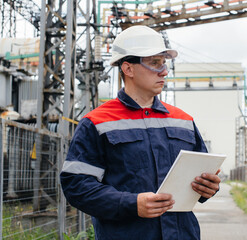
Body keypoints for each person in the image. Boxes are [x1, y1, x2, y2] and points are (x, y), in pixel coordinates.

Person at [60, 25, 221, 240]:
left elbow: (201, 178)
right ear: (128, 68)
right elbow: (77, 186)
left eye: (164, 63)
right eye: (155, 63)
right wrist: (131, 204)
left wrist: (208, 188)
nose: (163, 71)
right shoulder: (97, 122)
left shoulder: (183, 121)